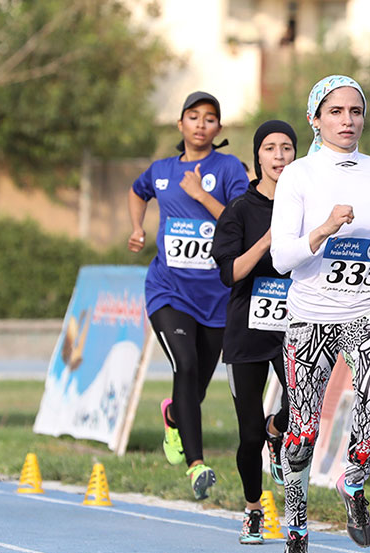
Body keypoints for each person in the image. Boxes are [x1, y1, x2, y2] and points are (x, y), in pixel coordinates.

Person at [270, 75, 370, 553]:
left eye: (355, 112)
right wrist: (324, 230)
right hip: (310, 314)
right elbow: (281, 256)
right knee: (303, 432)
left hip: (369, 310)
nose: (347, 121)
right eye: (335, 112)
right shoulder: (298, 176)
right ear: (315, 118)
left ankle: (353, 482)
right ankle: (296, 536)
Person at [128, 91, 249, 500]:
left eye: (210, 118)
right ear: (180, 125)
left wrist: (200, 195)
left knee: (195, 386)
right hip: (168, 290)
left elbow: (238, 221)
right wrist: (138, 228)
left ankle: (174, 415)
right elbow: (136, 190)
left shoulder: (229, 167)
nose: (200, 124)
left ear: (219, 128)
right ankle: (196, 466)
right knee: (185, 364)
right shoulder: (161, 170)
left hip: (215, 295)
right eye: (192, 117)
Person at [211, 119, 297, 544]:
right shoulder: (240, 210)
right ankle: (252, 509)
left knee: (303, 409)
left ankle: (277, 428)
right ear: (257, 156)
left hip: (293, 326)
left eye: (286, 148)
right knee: (247, 435)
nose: (279, 155)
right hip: (247, 328)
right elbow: (231, 273)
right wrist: (268, 239)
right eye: (270, 148)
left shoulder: (305, 203)